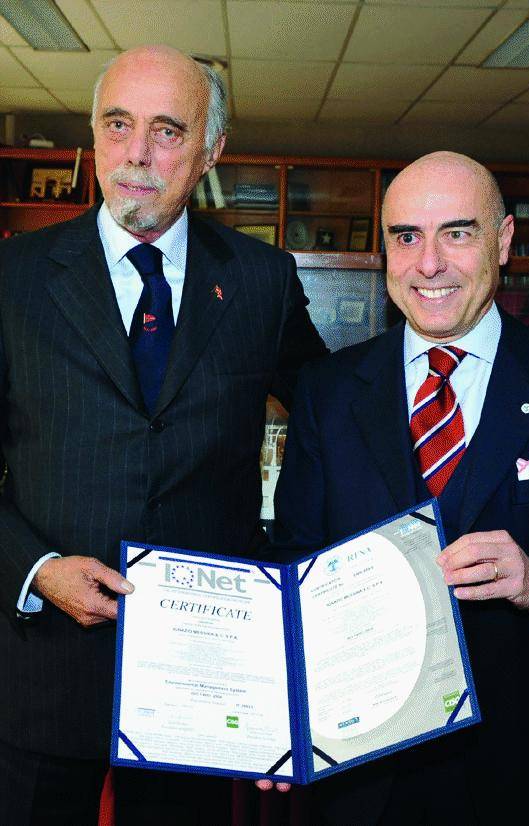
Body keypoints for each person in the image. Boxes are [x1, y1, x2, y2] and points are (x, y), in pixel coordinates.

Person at [0, 45, 326, 826]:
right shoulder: (14, 278)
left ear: (211, 152)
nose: (137, 154)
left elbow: (335, 413)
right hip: (42, 667)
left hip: (200, 675)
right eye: (117, 125)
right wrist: (35, 568)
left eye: (167, 131)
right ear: (93, 135)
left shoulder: (260, 280)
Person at [272, 151, 529, 825]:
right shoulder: (328, 392)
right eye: (406, 236)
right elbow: (294, 559)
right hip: (364, 773)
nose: (428, 264)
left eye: (457, 233)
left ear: (502, 241)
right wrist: (279, 706)